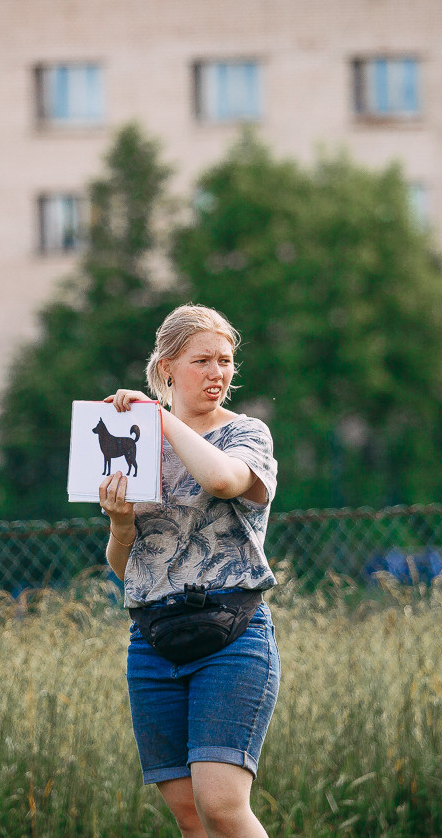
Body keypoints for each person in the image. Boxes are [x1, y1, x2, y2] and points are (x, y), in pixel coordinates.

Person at [99, 304, 279, 838]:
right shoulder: (131, 442)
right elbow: (124, 567)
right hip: (152, 642)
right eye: (203, 360)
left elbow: (223, 481)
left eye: (225, 362)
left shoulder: (248, 434)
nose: (218, 373)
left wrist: (162, 420)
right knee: (190, 818)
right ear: (167, 367)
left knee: (221, 805)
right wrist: (120, 523)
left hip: (232, 638)